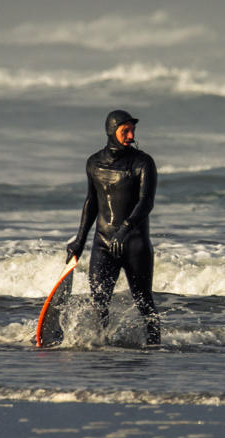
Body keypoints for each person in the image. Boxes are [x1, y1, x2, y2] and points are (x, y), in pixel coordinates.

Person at [64, 109, 160, 345]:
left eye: (132, 130)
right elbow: (91, 202)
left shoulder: (142, 162)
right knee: (99, 301)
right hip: (103, 243)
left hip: (134, 243)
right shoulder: (94, 162)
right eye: (125, 130)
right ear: (111, 131)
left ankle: (155, 345)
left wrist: (124, 229)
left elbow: (146, 202)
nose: (130, 135)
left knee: (144, 301)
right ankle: (102, 345)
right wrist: (79, 240)